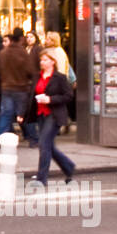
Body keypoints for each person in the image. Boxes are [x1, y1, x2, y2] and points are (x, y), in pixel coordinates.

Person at [27, 51, 77, 186]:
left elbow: (68, 96)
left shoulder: (59, 77)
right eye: (41, 60)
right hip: (40, 114)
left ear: (52, 62)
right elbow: (31, 94)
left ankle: (41, 179)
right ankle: (69, 167)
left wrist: (50, 99)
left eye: (45, 60)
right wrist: (22, 113)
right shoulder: (37, 76)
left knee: (43, 144)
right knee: (49, 146)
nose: (42, 62)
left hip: (54, 115)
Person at [0, 27, 37, 145]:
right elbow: (30, 71)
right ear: (21, 38)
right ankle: (33, 139)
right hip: (21, 87)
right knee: (23, 114)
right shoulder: (23, 52)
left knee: (6, 114)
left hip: (6, 87)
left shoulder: (3, 53)